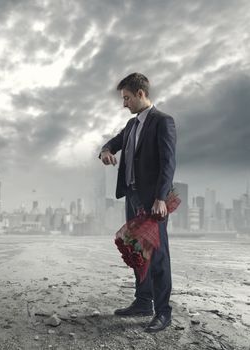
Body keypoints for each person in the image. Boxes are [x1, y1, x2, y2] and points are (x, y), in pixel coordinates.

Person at [99, 73, 176, 333]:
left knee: (157, 255)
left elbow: (168, 163)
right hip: (131, 196)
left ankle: (163, 312)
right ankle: (143, 302)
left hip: (153, 201)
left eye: (127, 98)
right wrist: (106, 151)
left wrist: (161, 198)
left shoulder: (163, 122)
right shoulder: (131, 125)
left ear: (140, 94)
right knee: (138, 253)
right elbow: (114, 142)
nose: (124, 104)